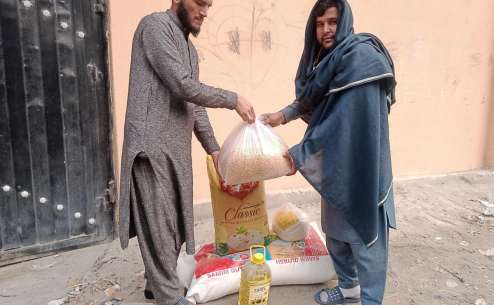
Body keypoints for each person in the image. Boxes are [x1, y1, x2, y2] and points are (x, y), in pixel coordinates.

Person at [117, 0, 255, 304]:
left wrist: (214, 148)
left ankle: (156, 285)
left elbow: (192, 102)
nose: (205, 12)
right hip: (150, 147)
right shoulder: (154, 26)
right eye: (200, 3)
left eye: (209, 5)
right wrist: (232, 99)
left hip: (175, 150)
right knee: (159, 226)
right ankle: (169, 296)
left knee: (177, 224)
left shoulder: (189, 49)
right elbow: (182, 86)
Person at [262, 1, 397, 304]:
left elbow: (341, 120)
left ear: (345, 21)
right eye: (320, 23)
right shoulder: (328, 61)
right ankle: (349, 288)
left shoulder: (362, 58)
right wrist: (280, 116)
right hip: (337, 159)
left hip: (363, 159)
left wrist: (300, 154)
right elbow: (312, 100)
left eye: (332, 22)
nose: (325, 30)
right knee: (335, 230)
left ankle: (370, 300)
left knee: (365, 234)